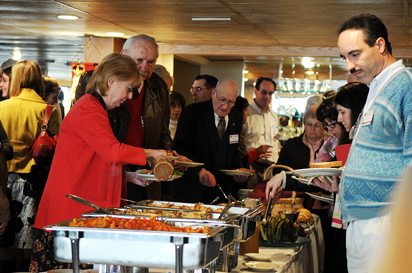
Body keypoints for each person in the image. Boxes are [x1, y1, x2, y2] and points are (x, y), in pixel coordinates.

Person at [31, 53, 167, 272]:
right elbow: (112, 152)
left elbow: (95, 160)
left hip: (78, 210)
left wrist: (128, 176)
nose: (130, 97)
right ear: (111, 80)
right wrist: (151, 154)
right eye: (129, 88)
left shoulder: (94, 108)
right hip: (69, 213)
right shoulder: (88, 108)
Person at [332, 13, 412, 273]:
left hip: (387, 223)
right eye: (344, 58)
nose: (350, 67)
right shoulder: (377, 87)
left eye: (355, 54)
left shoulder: (405, 85)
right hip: (363, 222)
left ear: (380, 45)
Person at [0, 60, 60, 251]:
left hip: (2, 179)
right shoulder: (48, 111)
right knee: (28, 239)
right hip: (32, 181)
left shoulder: (2, 107)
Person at [170, 79, 247, 203]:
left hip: (220, 191)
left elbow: (234, 148)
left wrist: (238, 169)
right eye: (222, 100)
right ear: (213, 94)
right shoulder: (192, 113)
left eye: (231, 102)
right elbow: (180, 148)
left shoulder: (236, 117)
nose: (226, 106)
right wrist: (199, 171)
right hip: (192, 190)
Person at [121, 34, 173, 201]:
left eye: (150, 62)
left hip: (146, 171)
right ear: (124, 55)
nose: (145, 67)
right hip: (115, 165)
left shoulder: (159, 86)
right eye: (139, 60)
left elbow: (164, 131)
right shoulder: (100, 81)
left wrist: (166, 155)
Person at [242, 77, 280, 167]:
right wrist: (254, 152)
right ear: (255, 91)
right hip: (251, 165)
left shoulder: (274, 116)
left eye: (270, 93)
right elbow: (239, 143)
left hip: (272, 167)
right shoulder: (245, 113)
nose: (267, 97)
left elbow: (275, 141)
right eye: (264, 92)